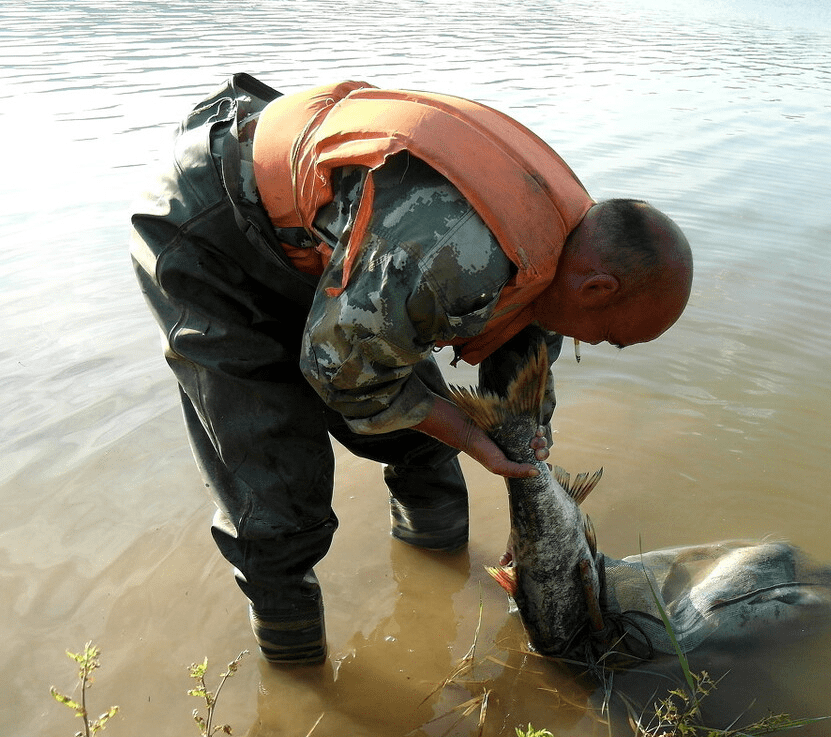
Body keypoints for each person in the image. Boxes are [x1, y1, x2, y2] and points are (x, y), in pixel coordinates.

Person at [130, 73, 692, 667]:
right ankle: (303, 685)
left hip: (337, 244)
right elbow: (342, 372)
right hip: (211, 232)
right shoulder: (453, 255)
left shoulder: (568, 245)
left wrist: (521, 437)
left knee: (423, 448)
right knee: (279, 505)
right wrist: (475, 437)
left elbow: (526, 336)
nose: (594, 342)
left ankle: (436, 582)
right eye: (606, 336)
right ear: (598, 287)